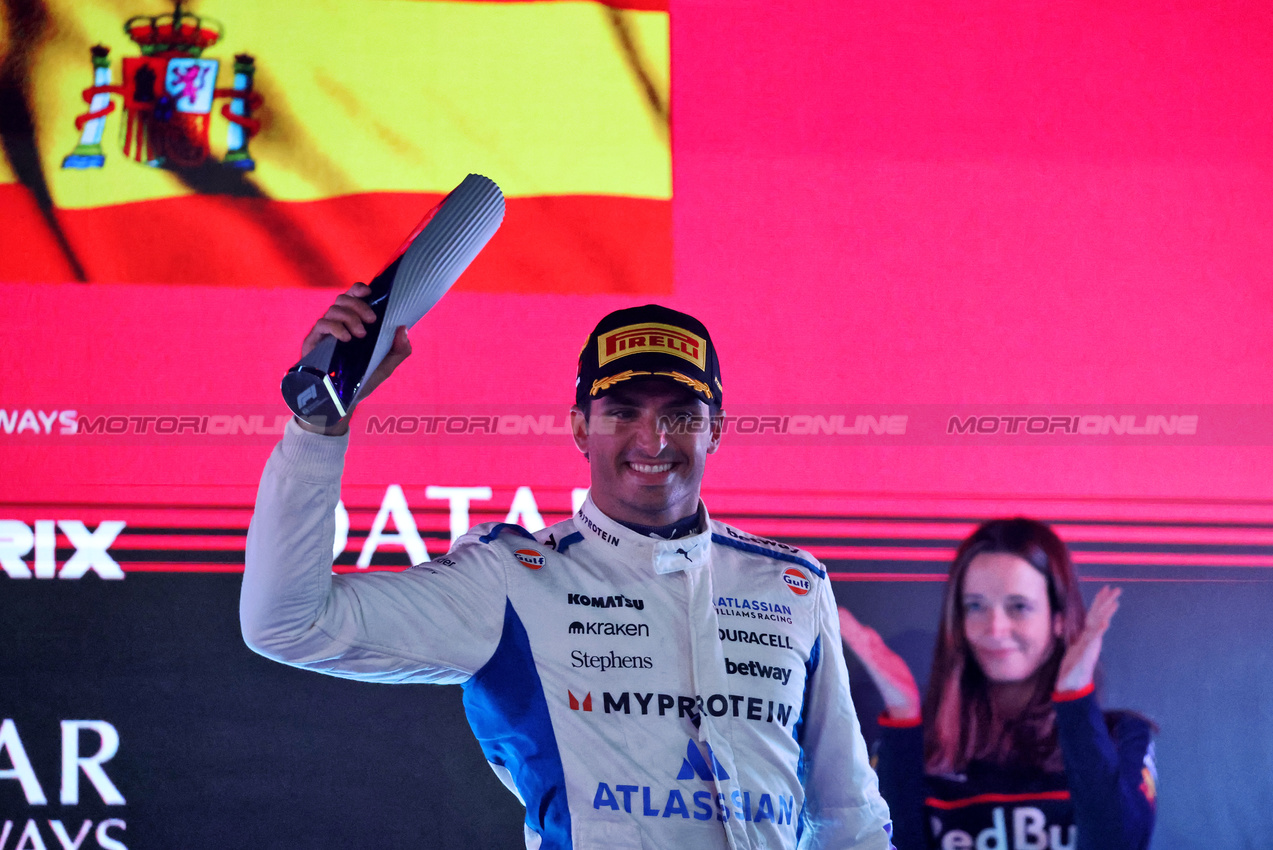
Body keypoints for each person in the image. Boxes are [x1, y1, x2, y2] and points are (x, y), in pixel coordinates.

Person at [241, 288, 894, 849]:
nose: (653, 439)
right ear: (581, 428)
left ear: (715, 429)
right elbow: (287, 623)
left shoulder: (791, 584)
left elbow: (849, 817)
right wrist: (317, 425)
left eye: (679, 414)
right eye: (623, 412)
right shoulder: (511, 578)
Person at [837, 518, 1156, 850]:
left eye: (1018, 607)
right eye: (976, 606)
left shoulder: (1121, 737)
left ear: (1059, 619)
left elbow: (1120, 843)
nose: (995, 628)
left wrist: (1075, 701)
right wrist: (902, 716)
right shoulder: (919, 747)